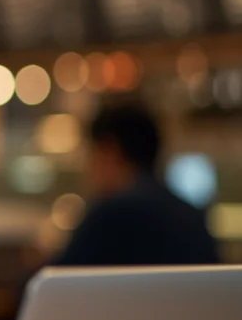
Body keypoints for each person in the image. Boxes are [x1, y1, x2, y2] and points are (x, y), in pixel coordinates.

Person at [51, 103, 219, 267]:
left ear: (109, 151)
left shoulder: (109, 216)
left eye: (90, 154)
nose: (87, 169)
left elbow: (54, 279)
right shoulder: (191, 217)